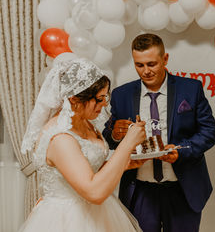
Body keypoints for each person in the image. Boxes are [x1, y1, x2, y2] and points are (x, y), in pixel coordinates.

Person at [102, 33, 215, 232]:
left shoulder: (191, 89)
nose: (146, 71)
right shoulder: (121, 95)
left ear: (165, 59)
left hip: (183, 189)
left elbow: (210, 132)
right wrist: (114, 134)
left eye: (152, 64)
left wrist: (181, 151)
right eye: (139, 65)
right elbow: (109, 138)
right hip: (139, 190)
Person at [19, 58, 146, 232]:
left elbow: (88, 170)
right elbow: (94, 192)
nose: (104, 105)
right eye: (99, 99)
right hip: (67, 219)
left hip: (100, 214)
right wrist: (127, 143)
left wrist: (122, 164)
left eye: (105, 97)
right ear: (74, 98)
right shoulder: (60, 138)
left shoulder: (87, 123)